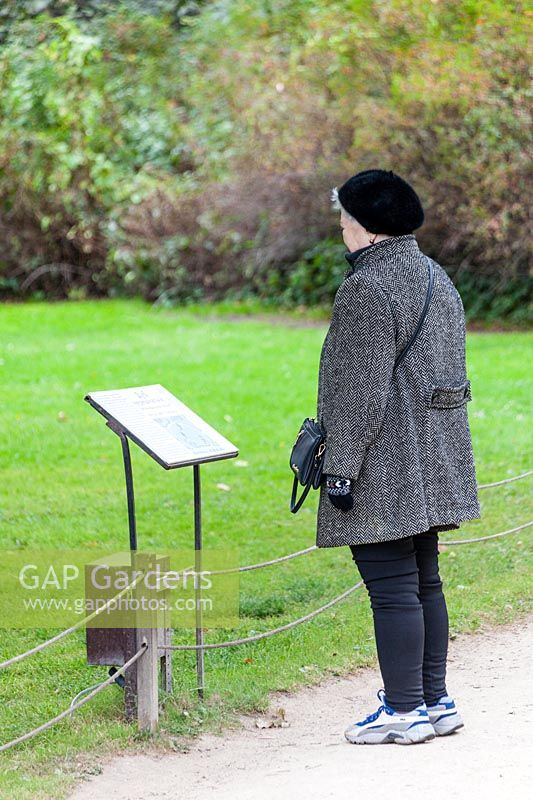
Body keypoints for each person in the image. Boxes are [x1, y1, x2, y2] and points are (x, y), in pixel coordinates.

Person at [315, 168, 481, 745]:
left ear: (366, 230)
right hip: (434, 458)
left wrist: (340, 466)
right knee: (424, 583)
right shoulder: (437, 277)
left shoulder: (367, 288)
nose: (342, 234)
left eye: (344, 225)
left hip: (383, 463)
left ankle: (404, 712)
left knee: (391, 588)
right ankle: (436, 703)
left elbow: (358, 390)